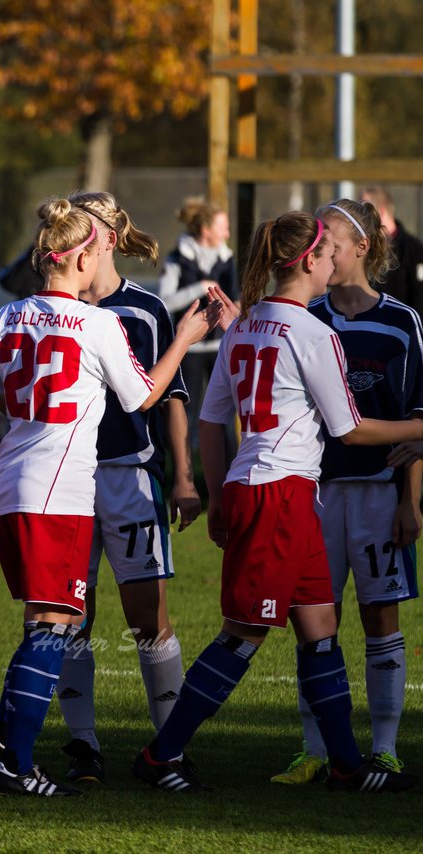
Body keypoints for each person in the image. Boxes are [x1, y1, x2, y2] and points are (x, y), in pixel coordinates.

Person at [133, 211, 423, 794]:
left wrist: (217, 496)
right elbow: (349, 431)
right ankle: (161, 754)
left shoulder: (244, 327)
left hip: (266, 488)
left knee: (319, 629)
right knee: (244, 633)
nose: (331, 263)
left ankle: (344, 764)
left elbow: (213, 422)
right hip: (280, 492)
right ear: (310, 261)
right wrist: (417, 429)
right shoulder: (315, 333)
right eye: (326, 254)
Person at [0, 198, 213, 797]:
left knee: (67, 622)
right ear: (86, 252)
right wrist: (190, 335)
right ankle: (29, 754)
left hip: (26, 485)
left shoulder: (13, 316)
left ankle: (6, 741)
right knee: (57, 624)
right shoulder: (96, 324)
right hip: (60, 491)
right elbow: (145, 395)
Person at [269, 200, 423, 784]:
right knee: (316, 618)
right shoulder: (307, 317)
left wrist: (411, 500)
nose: (318, 243)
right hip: (316, 491)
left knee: (380, 615)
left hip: (381, 495)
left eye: (327, 234)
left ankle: (384, 747)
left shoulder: (401, 321)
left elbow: (417, 421)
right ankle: (316, 749)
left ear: (361, 246)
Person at [158, 197, 237, 454]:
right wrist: (198, 289)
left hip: (218, 348)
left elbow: (235, 301)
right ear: (206, 231)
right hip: (188, 350)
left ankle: (227, 478)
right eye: (222, 227)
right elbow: (164, 302)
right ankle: (183, 475)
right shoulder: (176, 259)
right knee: (186, 415)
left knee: (223, 417)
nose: (227, 233)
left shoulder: (227, 259)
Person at [361, 186, 423, 316]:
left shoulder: (414, 249)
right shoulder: (363, 247)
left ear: (381, 212)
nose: (360, 217)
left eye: (365, 211)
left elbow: (419, 297)